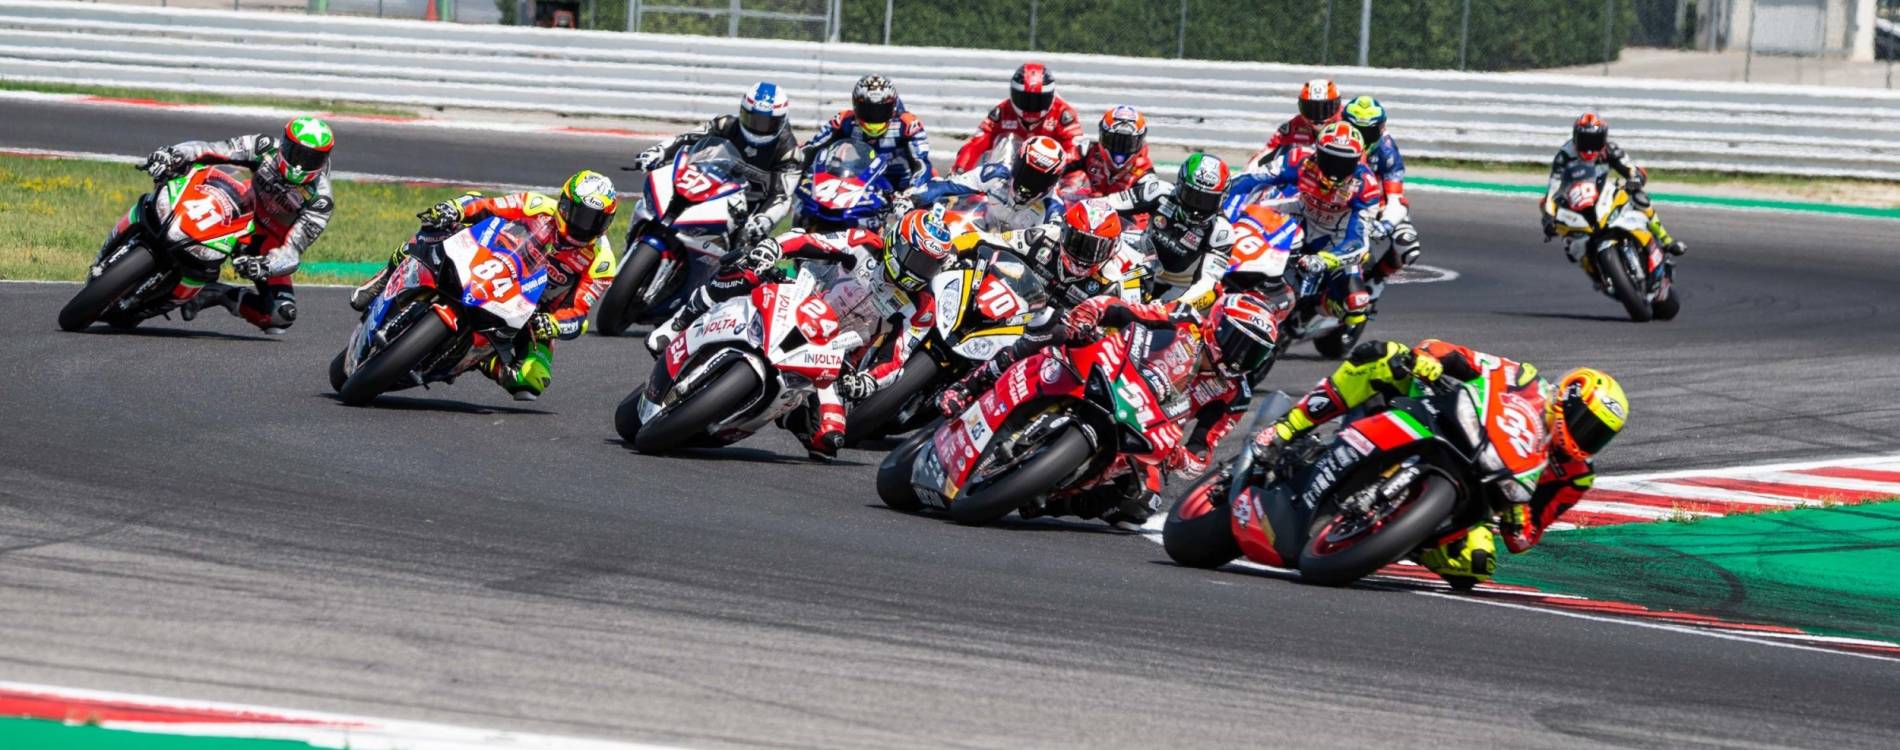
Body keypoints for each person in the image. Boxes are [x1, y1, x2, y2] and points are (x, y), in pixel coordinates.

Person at [1250, 339, 1628, 582]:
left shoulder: (1575, 476)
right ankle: (1286, 428)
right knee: (1384, 357)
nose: (1585, 438)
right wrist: (1431, 359)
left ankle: (1393, 537)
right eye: (1585, 424)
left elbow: (1525, 538)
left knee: (1477, 563)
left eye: (1598, 435)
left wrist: (1518, 515)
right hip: (1447, 421)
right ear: (1568, 399)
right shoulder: (1525, 380)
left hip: (1478, 496)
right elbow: (1456, 355)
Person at [935, 293, 1278, 528]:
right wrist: (1090, 315)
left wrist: (1180, 458)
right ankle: (970, 386)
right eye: (1239, 343)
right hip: (1113, 370)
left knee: (1141, 504)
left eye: (1254, 353)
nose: (1241, 358)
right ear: (1217, 325)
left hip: (1147, 426)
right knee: (1055, 329)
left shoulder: (1235, 394)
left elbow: (1202, 450)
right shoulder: (1183, 318)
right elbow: (1124, 309)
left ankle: (1051, 499)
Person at [355, 171, 620, 400]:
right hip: (490, 260)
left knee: (532, 379)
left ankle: (479, 359)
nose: (585, 227)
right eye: (582, 216)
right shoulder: (536, 205)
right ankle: (385, 277)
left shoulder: (601, 262)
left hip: (531, 311)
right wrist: (456, 210)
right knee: (438, 224)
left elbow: (577, 312)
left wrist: (554, 323)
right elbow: (489, 207)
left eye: (596, 221)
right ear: (564, 205)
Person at [642, 229, 890, 460]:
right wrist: (775, 248)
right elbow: (812, 241)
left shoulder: (911, 306)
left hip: (833, 353)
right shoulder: (865, 244)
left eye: (917, 263)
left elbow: (895, 358)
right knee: (744, 267)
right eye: (909, 257)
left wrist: (869, 381)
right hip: (801, 295)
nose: (911, 269)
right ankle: (679, 323)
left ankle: (790, 412)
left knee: (827, 441)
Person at [136, 116, 335, 334]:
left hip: (264, 243)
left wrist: (265, 266)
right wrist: (173, 153)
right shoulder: (264, 147)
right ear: (285, 142)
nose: (299, 164)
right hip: (235, 206)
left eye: (311, 158)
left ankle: (218, 293)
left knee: (282, 314)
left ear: (324, 159)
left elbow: (292, 252)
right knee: (177, 177)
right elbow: (212, 149)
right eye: (296, 153)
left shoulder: (321, 201)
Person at [1226, 122, 1382, 333]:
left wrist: (1326, 259)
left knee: (1356, 304)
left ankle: (1312, 310)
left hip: (1335, 238)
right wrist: (1221, 191)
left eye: (1344, 163)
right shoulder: (1299, 159)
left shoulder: (1366, 186)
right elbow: (1253, 177)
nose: (1335, 170)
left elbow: (1358, 243)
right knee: (1249, 212)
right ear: (1318, 152)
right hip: (1299, 214)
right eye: (1330, 159)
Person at [629, 82, 800, 247]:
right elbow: (687, 138)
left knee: (743, 250)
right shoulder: (725, 124)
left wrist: (764, 220)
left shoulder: (789, 152)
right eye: (752, 119)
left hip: (747, 211)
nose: (758, 128)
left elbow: (781, 196)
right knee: (659, 204)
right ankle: (635, 239)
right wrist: (658, 152)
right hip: (709, 187)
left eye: (766, 123)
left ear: (781, 121)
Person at [1100, 152, 1237, 312]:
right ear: (1179, 185)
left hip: (1178, 287)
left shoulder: (1221, 232)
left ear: (1222, 199)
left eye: (1207, 201)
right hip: (1142, 263)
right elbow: (1105, 205)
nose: (1196, 210)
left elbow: (1207, 284)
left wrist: (1175, 307)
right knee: (1113, 288)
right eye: (1191, 196)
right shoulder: (1159, 191)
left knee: (1204, 301)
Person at [1543, 113, 1686, 256]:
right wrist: (1548, 217)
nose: (1589, 147)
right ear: (1575, 138)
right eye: (1585, 141)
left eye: (1595, 141)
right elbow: (1552, 191)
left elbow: (1631, 169)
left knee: (1639, 198)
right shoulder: (1564, 157)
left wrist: (1635, 179)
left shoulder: (1610, 150)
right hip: (1576, 200)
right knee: (1567, 239)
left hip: (1604, 194)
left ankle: (1665, 239)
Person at [905, 135, 1068, 232]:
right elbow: (948, 186)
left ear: (1051, 182)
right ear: (1017, 162)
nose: (1030, 181)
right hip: (979, 237)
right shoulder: (995, 173)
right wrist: (912, 198)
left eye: (1038, 178)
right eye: (1027, 172)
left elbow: (1052, 248)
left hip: (1014, 263)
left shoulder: (1053, 209)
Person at [801, 74, 933, 191]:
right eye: (867, 110)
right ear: (855, 106)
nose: (874, 116)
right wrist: (801, 169)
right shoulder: (843, 120)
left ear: (893, 107)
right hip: (864, 183)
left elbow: (921, 162)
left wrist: (913, 189)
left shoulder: (908, 124)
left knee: (927, 195)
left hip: (903, 185)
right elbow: (812, 148)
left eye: (881, 110)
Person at [1340, 96, 1421, 284]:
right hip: (1341, 205)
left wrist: (1386, 223)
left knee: (1408, 246)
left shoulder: (1387, 149)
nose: (1362, 138)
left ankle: (1376, 282)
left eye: (1368, 132)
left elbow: (1396, 198)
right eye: (1356, 130)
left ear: (1381, 128)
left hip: (1377, 205)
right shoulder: (1333, 141)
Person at [952, 62, 1084, 173]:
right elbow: (975, 144)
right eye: (1025, 99)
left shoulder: (1063, 114)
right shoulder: (1002, 111)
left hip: (1052, 178)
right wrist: (960, 170)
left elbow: (1074, 150)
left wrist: (1054, 168)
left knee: (1073, 182)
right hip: (1011, 176)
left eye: (1038, 100)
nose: (1031, 106)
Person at [1061, 105, 1157, 200]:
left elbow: (1149, 205)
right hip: (1085, 205)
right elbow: (1058, 166)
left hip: (1116, 209)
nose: (1120, 150)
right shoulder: (1088, 151)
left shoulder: (1144, 173)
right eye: (1114, 141)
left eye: (1128, 143)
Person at [1248, 79, 1342, 169]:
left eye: (1325, 108)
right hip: (1302, 173)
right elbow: (1267, 152)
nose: (1318, 115)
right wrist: (1250, 171)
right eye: (1311, 108)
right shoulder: (1294, 126)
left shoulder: (1346, 122)